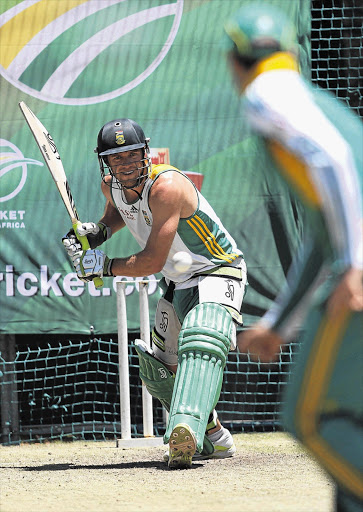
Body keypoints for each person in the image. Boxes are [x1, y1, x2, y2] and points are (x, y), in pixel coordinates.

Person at [223, 3, 363, 511]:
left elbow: (334, 160)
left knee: (313, 418)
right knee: (351, 421)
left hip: (358, 278)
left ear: (234, 60)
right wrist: (280, 323)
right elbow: (321, 237)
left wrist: (353, 263)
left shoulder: (266, 93)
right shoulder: (317, 99)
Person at [62, 118, 247, 469]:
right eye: (117, 159)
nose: (127, 164)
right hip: (177, 281)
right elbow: (120, 212)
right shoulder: (111, 186)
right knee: (159, 371)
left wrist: (103, 266)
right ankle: (216, 437)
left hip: (216, 268)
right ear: (106, 163)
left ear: (146, 152)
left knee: (202, 337)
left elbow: (150, 260)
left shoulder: (167, 186)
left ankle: (185, 429)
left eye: (133, 155)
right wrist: (99, 231)